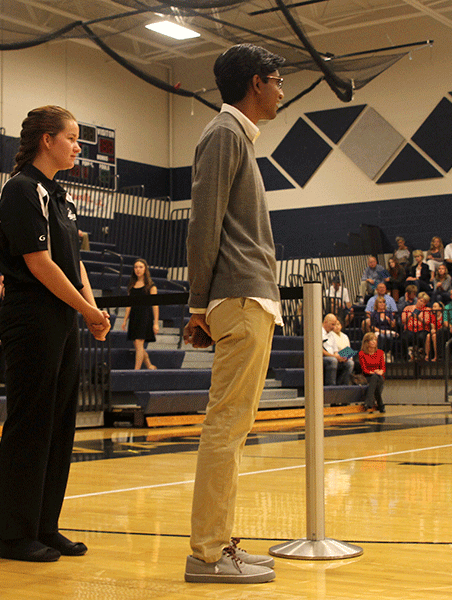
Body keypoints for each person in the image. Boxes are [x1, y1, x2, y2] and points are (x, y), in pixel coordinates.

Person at [181, 44, 284, 585]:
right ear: (255, 83)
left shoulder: (236, 136)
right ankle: (206, 554)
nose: (282, 90)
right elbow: (203, 222)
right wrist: (198, 305)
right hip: (239, 298)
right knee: (225, 428)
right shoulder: (223, 134)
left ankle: (217, 542)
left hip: (247, 298)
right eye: (276, 80)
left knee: (233, 429)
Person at [0, 106, 110, 563]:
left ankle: (45, 525)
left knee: (60, 423)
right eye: (73, 138)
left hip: (61, 319)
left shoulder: (58, 196)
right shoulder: (21, 190)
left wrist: (91, 309)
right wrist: (86, 309)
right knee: (31, 422)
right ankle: (14, 534)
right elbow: (39, 264)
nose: (78, 147)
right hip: (30, 316)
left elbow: (72, 261)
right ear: (46, 139)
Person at [121, 259, 159, 370]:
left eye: (141, 267)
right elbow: (129, 304)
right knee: (138, 345)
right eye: (136, 267)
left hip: (145, 316)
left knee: (139, 343)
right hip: (134, 316)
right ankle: (149, 365)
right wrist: (125, 319)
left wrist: (156, 323)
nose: (138, 269)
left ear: (145, 269)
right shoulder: (132, 285)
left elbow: (155, 305)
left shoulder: (151, 286)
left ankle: (136, 371)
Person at [401, 292, 437, 361]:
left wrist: (418, 317)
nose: (422, 303)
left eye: (424, 302)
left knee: (421, 336)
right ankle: (406, 357)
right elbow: (403, 320)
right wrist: (410, 315)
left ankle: (422, 355)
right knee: (405, 337)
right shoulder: (408, 308)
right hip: (409, 329)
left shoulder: (427, 310)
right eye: (421, 301)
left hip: (422, 330)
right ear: (417, 299)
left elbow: (427, 322)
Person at [358, 332, 386, 412]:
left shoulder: (380, 352)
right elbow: (364, 369)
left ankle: (369, 402)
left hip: (379, 376)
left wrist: (380, 372)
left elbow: (383, 368)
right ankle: (380, 404)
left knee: (376, 378)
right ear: (366, 342)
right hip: (368, 376)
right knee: (375, 378)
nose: (374, 341)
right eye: (371, 340)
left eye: (375, 340)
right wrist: (374, 372)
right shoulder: (362, 354)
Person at [323, 313, 353, 384]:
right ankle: (331, 386)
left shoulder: (331, 334)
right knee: (333, 361)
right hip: (323, 357)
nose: (333, 327)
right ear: (326, 322)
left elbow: (335, 350)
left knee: (350, 363)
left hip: (333, 356)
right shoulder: (318, 332)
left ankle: (342, 386)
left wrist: (339, 357)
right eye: (332, 324)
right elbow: (320, 350)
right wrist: (334, 356)